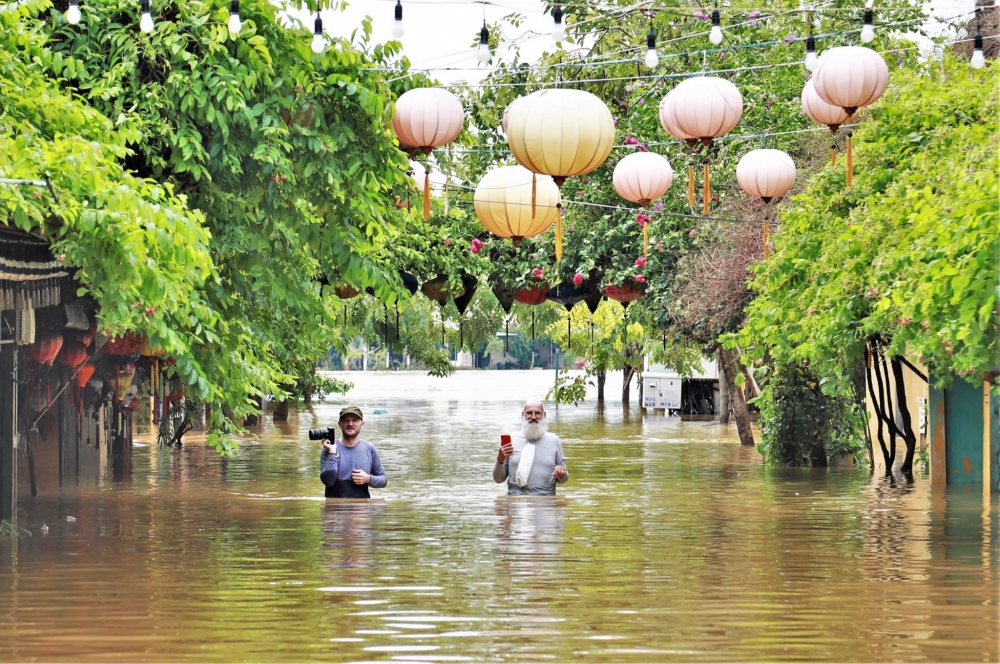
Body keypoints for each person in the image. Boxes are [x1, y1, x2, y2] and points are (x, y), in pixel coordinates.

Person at [493, 400, 569, 495]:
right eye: (529, 413)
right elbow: (498, 479)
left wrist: (562, 474)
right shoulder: (512, 440)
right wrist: (500, 460)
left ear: (544, 415)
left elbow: (564, 479)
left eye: (537, 413)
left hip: (546, 500)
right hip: (515, 500)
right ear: (523, 415)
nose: (533, 417)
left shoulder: (554, 441)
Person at [319, 406, 387, 498]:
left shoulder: (369, 449)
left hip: (362, 509)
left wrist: (369, 479)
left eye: (355, 420)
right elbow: (328, 481)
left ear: (362, 424)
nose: (350, 424)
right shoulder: (329, 448)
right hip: (334, 509)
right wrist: (332, 453)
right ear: (340, 424)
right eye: (346, 420)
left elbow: (383, 480)